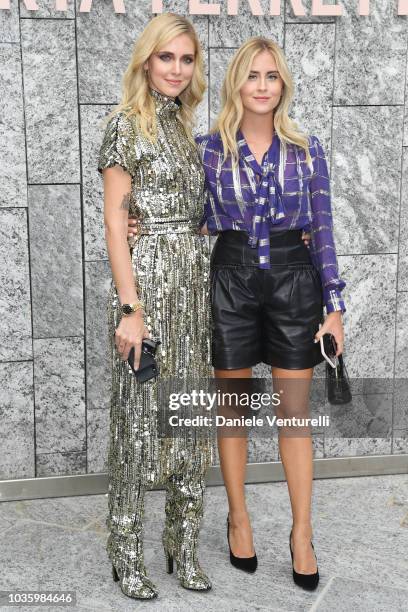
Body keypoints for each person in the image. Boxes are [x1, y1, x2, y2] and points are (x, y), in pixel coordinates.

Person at [196, 37, 346, 591]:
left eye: (272, 76)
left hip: (294, 279)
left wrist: (334, 306)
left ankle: (301, 532)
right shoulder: (207, 150)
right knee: (233, 409)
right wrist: (139, 227)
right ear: (237, 82)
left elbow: (324, 230)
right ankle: (239, 518)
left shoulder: (308, 151)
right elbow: (192, 221)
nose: (262, 85)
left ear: (283, 85)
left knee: (293, 416)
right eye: (253, 75)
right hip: (230, 278)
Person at [98, 13, 214, 600]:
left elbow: (195, 213)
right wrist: (129, 308)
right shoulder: (124, 127)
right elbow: (116, 224)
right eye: (166, 57)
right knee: (139, 427)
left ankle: (182, 546)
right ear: (147, 61)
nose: (175, 69)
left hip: (192, 293)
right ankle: (125, 553)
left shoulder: (186, 129)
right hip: (146, 290)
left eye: (186, 59)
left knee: (189, 423)